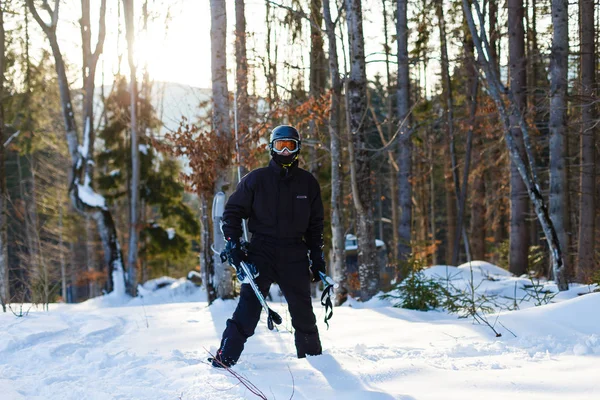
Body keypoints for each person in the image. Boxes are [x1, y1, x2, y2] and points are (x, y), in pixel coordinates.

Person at [211, 125, 326, 368]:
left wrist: (317, 260)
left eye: (290, 146)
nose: (285, 151)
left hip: (294, 254)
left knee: (303, 313)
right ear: (271, 148)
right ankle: (224, 360)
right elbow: (232, 213)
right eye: (280, 145)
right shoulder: (256, 179)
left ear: (297, 149)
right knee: (248, 310)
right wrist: (233, 244)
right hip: (261, 252)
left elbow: (315, 227)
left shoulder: (307, 183)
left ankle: (314, 363)